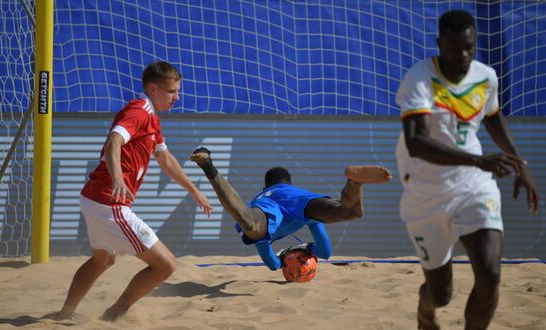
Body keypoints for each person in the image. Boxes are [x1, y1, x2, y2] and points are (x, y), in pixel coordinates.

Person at [395, 10, 539, 330]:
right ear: (439, 44)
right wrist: (479, 160)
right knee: (440, 294)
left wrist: (519, 164)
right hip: (425, 193)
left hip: (474, 186)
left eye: (470, 48)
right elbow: (416, 141)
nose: (463, 56)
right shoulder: (420, 79)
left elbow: (492, 116)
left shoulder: (485, 76)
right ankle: (425, 306)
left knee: (490, 275)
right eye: (455, 48)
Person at [51, 61, 213, 321]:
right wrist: (117, 178)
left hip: (95, 198)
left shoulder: (152, 118)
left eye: (177, 91)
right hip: (109, 202)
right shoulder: (138, 110)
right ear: (152, 88)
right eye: (171, 91)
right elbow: (114, 140)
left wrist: (193, 190)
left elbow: (165, 159)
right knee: (166, 265)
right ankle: (114, 314)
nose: (177, 97)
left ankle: (65, 313)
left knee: (102, 260)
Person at [190, 147, 392, 270]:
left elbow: (272, 264)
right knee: (349, 212)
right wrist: (307, 249)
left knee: (249, 221)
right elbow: (326, 253)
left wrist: (286, 257)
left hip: (268, 209)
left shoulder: (262, 196)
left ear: (264, 188)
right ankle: (354, 183)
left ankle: (209, 167)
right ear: (288, 182)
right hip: (300, 200)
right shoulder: (294, 191)